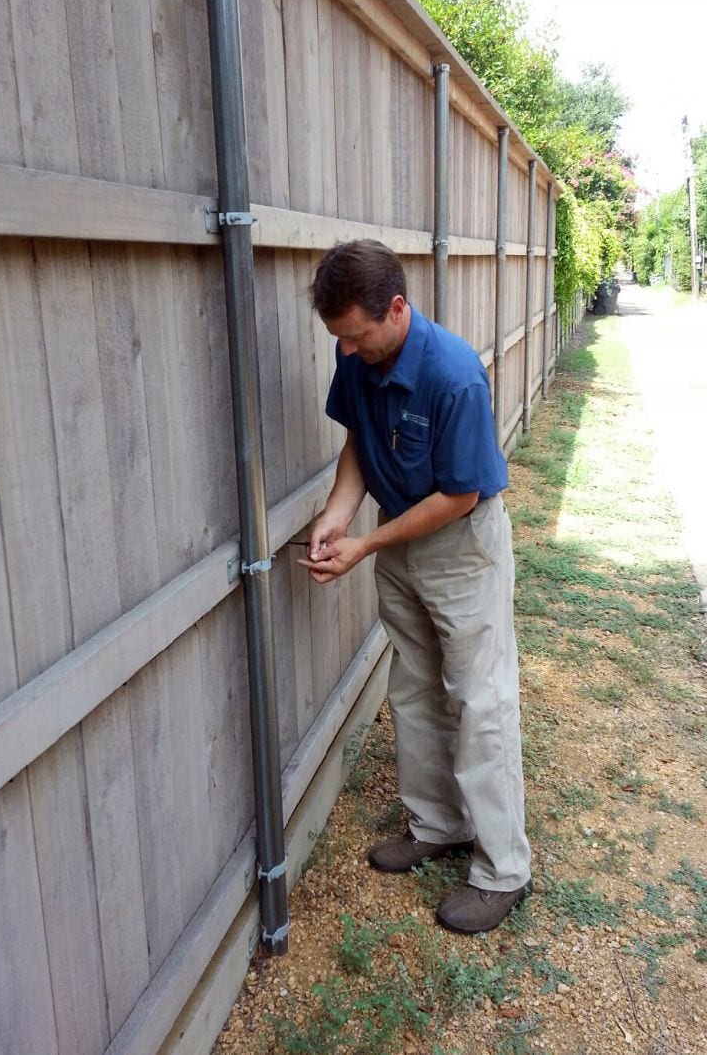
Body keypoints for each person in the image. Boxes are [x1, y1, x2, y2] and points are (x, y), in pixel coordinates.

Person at [299, 239, 532, 934]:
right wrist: (336, 517)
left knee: (480, 701)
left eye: (357, 336)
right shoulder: (356, 354)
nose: (348, 349)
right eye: (338, 337)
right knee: (415, 687)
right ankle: (437, 824)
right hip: (398, 540)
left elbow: (460, 495)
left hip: (459, 547)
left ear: (396, 309)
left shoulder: (454, 374)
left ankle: (503, 871)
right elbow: (359, 445)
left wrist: (365, 542)